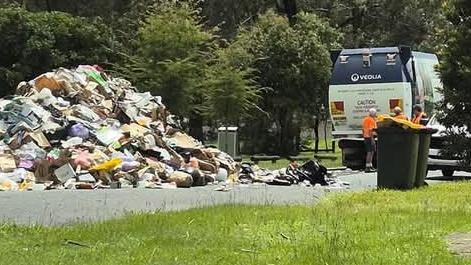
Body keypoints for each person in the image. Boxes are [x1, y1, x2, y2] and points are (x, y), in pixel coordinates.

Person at [363, 108, 377, 173]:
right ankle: (368, 167)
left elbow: (363, 129)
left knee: (371, 152)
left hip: (366, 137)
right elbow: (370, 130)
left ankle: (370, 166)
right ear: (373, 113)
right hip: (370, 137)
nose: (375, 114)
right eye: (375, 113)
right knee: (370, 152)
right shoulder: (371, 120)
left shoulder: (365, 119)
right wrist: (372, 139)